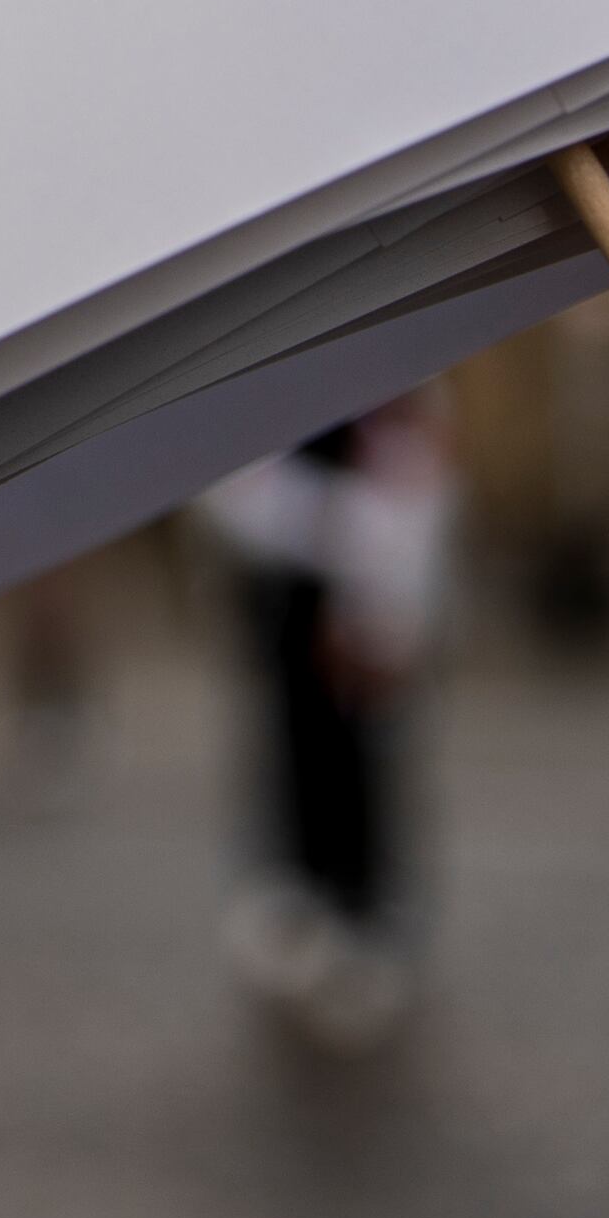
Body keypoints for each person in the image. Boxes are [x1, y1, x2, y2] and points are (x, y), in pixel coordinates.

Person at [196, 390, 450, 1050]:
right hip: (296, 600)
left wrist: (382, 602)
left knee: (359, 758)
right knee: (299, 750)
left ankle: (367, 915)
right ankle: (310, 894)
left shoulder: (381, 399)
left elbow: (404, 469)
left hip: (353, 596)